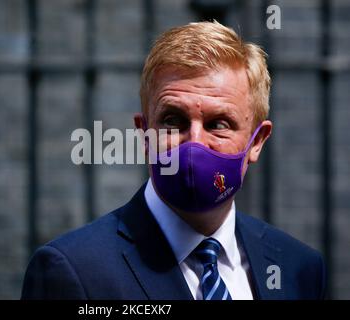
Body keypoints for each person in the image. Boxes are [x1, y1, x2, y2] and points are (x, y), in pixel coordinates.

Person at [21, 21, 326, 300]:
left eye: (219, 124)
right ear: (144, 134)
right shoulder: (73, 270)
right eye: (173, 120)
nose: (194, 143)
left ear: (256, 142)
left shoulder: (298, 268)